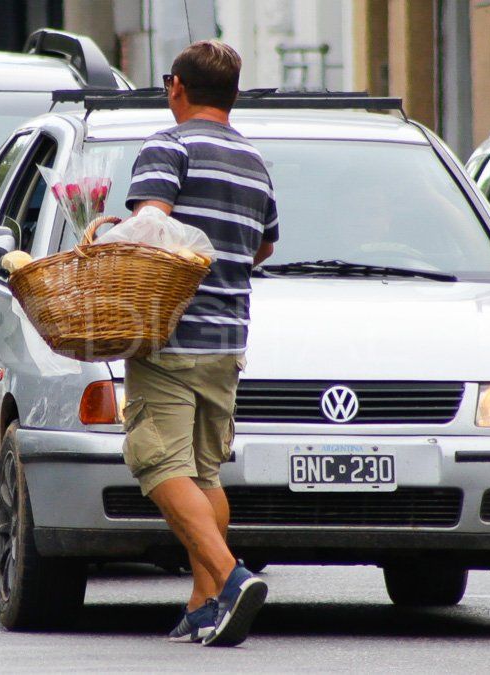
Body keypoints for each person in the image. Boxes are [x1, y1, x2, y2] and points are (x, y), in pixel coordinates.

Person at [123, 40, 278, 647]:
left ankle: (231, 576)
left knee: (156, 461)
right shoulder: (254, 160)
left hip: (170, 331)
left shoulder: (169, 144)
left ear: (177, 88)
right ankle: (204, 605)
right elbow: (264, 246)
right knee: (204, 471)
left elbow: (150, 226)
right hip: (228, 339)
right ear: (233, 95)